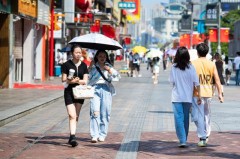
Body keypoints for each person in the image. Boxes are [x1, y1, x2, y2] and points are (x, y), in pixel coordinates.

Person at [191, 43, 224, 147]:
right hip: (208, 93)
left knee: (197, 116)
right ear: (207, 52)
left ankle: (203, 136)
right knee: (205, 114)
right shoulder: (211, 64)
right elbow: (217, 80)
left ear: (197, 52)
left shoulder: (192, 63)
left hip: (196, 93)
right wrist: (220, 93)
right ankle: (206, 133)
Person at [169, 47, 201, 148]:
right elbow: (197, 83)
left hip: (176, 97)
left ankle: (182, 139)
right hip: (188, 98)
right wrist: (199, 96)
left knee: (179, 118)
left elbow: (172, 81)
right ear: (187, 56)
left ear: (177, 56)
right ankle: (184, 138)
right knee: (185, 118)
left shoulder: (174, 67)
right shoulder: (191, 67)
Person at [88, 50, 119, 143]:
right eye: (100, 56)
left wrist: (109, 71)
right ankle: (94, 135)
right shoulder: (93, 66)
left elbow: (117, 77)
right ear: (96, 57)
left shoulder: (109, 67)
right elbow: (87, 77)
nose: (102, 58)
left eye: (104, 56)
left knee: (105, 113)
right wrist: (90, 67)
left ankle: (102, 134)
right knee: (94, 111)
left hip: (106, 89)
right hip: (95, 89)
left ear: (106, 58)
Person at [61, 44, 89, 147]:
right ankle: (73, 137)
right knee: (71, 115)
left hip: (80, 93)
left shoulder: (84, 65)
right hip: (69, 92)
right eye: (76, 52)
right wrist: (71, 81)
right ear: (72, 53)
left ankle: (72, 135)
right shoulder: (66, 65)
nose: (78, 54)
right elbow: (64, 80)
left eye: (80, 52)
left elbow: (85, 81)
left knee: (76, 116)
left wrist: (77, 81)